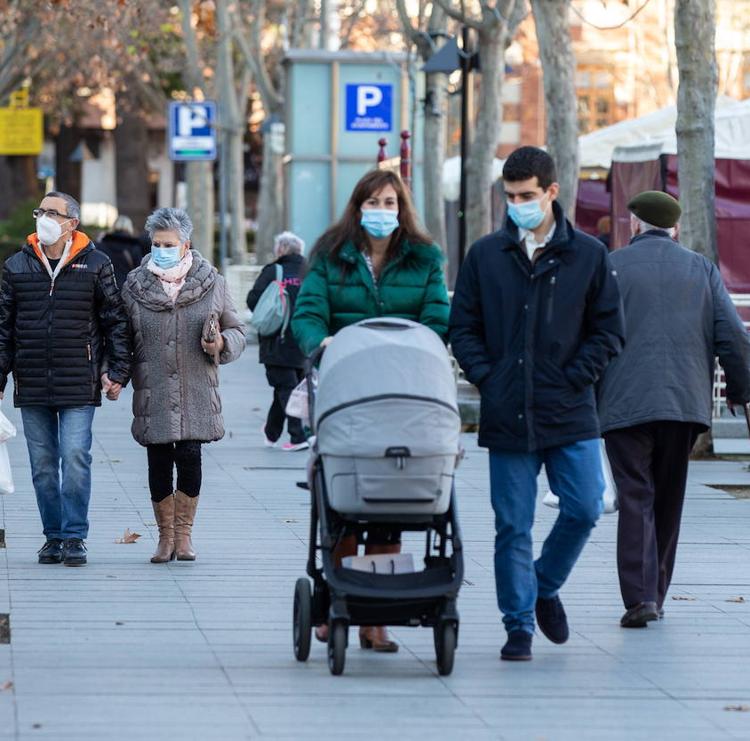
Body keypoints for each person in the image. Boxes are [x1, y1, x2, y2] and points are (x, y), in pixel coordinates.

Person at [449, 146, 625, 661]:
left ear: (552, 192)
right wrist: (489, 378)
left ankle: (544, 585)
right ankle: (518, 626)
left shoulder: (589, 255)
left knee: (586, 506)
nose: (518, 205)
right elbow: (463, 328)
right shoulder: (486, 255)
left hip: (571, 410)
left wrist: (577, 376)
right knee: (512, 525)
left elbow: (609, 331)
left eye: (527, 196)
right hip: (507, 411)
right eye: (510, 197)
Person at [292, 168, 450, 652]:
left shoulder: (424, 258)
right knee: (342, 502)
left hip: (404, 388)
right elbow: (309, 312)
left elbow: (436, 315)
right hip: (347, 389)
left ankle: (376, 615)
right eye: (373, 202)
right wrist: (322, 342)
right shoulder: (331, 254)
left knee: (392, 500)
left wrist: (423, 345)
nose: (382, 212)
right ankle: (341, 596)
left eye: (390, 203)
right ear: (358, 206)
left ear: (402, 209)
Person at [597, 191, 750, 628]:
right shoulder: (700, 268)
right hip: (684, 404)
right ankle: (656, 592)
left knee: (635, 496)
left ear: (634, 225)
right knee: (668, 498)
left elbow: (588, 335)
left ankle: (640, 595)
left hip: (624, 403)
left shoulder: (610, 267)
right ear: (675, 228)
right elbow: (733, 337)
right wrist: (741, 389)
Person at [0, 191, 131, 566]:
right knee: (42, 465)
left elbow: (114, 321)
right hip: (33, 380)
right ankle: (53, 536)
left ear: (71, 223)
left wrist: (117, 370)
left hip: (79, 380)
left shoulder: (96, 263)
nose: (42, 217)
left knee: (75, 457)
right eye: (39, 210)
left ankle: (75, 536)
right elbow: (3, 328)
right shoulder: (17, 266)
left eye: (52, 212)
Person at [121, 208, 245, 563]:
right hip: (154, 388)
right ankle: (165, 537)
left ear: (186, 244)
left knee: (190, 456)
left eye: (169, 244)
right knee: (158, 459)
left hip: (196, 388)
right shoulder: (134, 285)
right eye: (156, 243)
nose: (162, 249)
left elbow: (237, 330)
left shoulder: (213, 283)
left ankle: (185, 535)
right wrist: (114, 374)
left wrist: (221, 344)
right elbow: (121, 336)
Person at [246, 231, 308, 452]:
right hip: (304, 341)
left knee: (286, 388)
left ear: (281, 250)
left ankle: (298, 436)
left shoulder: (274, 271)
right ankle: (271, 432)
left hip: (277, 341)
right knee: (286, 387)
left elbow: (253, 300)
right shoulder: (311, 272)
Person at [96, 215, 144, 287]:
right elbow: (140, 272)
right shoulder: (133, 247)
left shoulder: (102, 245)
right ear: (130, 228)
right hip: (126, 289)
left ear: (114, 226)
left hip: (105, 289)